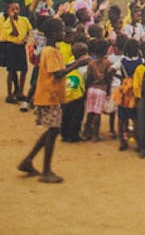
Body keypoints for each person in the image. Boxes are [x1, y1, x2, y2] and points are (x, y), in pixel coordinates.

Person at [18, 18, 89, 183]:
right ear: (54, 33)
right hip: (49, 96)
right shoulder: (50, 52)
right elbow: (57, 73)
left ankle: (28, 161)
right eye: (62, 30)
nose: (65, 33)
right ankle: (46, 170)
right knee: (53, 130)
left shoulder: (52, 50)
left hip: (51, 95)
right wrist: (78, 64)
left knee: (52, 130)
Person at [0, 2, 32, 103]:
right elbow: (15, 33)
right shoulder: (7, 23)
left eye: (17, 9)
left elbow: (28, 30)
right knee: (11, 71)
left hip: (21, 47)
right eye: (13, 10)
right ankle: (9, 95)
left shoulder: (24, 20)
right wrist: (12, 21)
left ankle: (20, 92)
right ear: (8, 11)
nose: (15, 11)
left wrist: (25, 39)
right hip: (11, 47)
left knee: (24, 70)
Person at [82, 39, 115, 141]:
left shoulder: (91, 64)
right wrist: (109, 91)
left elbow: (88, 79)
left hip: (91, 89)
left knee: (90, 111)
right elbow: (109, 79)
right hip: (102, 89)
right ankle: (95, 135)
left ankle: (86, 132)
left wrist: (86, 90)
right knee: (97, 113)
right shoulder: (108, 63)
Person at [60, 41, 88, 142]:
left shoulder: (70, 61)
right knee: (77, 115)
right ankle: (73, 135)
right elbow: (86, 80)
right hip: (77, 95)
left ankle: (64, 133)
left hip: (66, 92)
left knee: (66, 114)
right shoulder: (84, 66)